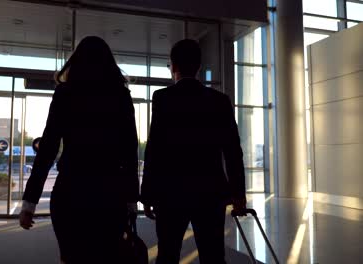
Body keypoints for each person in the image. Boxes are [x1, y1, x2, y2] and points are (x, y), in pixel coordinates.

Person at [19, 36, 139, 264]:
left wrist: (30, 202)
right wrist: (132, 198)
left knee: (71, 258)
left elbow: (48, 148)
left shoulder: (66, 93)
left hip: (70, 192)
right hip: (110, 194)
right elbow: (130, 150)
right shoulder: (121, 96)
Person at [140, 39, 247, 264]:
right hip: (210, 192)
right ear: (198, 67)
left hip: (170, 193)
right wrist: (238, 193)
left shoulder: (162, 98)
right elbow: (233, 151)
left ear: (173, 66)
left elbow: (155, 149)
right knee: (213, 255)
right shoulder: (220, 101)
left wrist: (148, 192)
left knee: (168, 254)